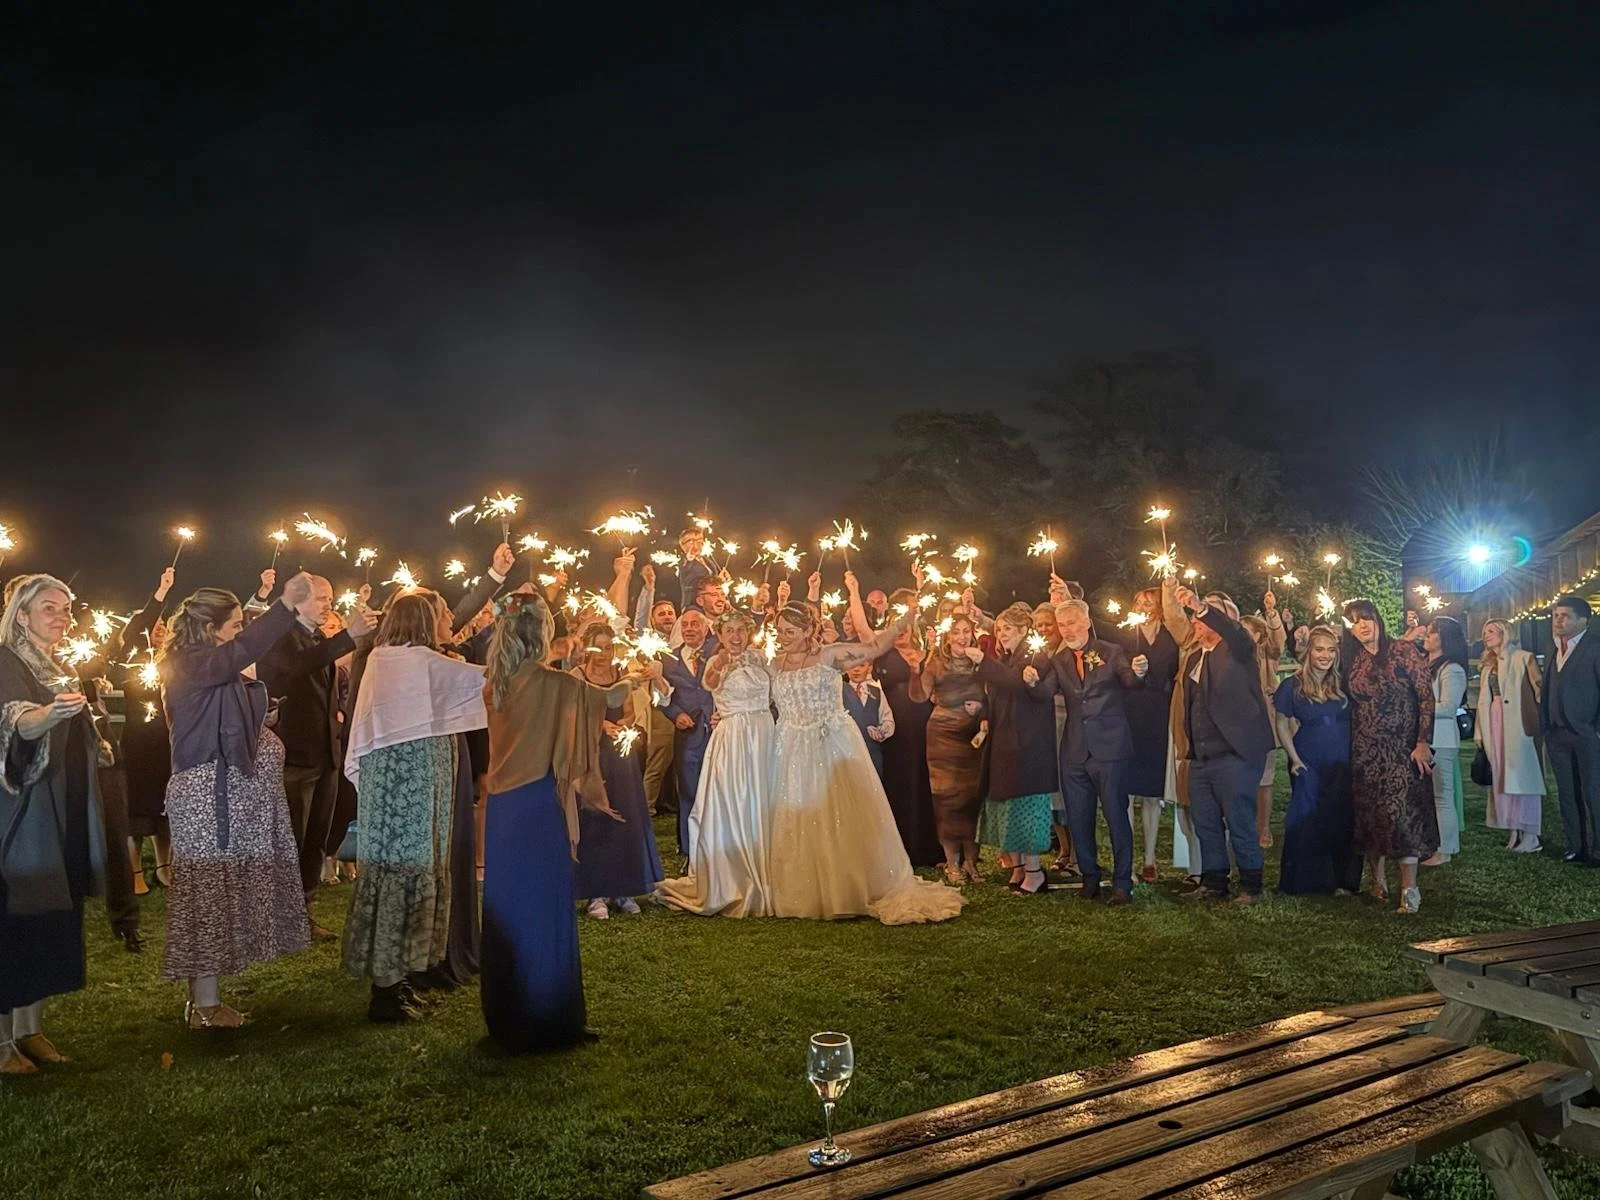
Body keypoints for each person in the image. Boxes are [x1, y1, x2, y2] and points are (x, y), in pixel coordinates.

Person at [159, 579, 314, 1028]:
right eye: (236, 625)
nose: (241, 632)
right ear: (211, 629)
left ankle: (204, 1002)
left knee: (216, 892)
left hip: (223, 794)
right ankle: (205, 1007)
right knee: (207, 895)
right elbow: (239, 654)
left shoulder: (207, 666)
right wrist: (284, 606)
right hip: (207, 796)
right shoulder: (190, 662)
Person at [766, 574, 964, 924]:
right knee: (798, 810)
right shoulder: (774, 664)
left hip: (832, 742)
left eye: (789, 632)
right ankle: (802, 887)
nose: (782, 638)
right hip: (791, 747)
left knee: (840, 812)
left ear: (808, 631)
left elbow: (874, 647)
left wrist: (905, 618)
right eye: (779, 631)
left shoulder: (831, 656)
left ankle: (849, 884)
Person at [480, 593, 630, 1051]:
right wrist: (640, 675)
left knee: (508, 911)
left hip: (503, 811)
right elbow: (611, 698)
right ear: (542, 631)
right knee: (545, 908)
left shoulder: (496, 682)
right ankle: (551, 1017)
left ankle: (507, 1018)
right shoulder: (553, 683)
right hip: (539, 806)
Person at [340, 591, 488, 1022]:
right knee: (403, 875)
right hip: (406, 793)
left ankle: (399, 979)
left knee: (410, 874)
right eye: (442, 614)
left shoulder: (402, 660)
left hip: (411, 791)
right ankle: (386, 993)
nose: (449, 620)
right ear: (423, 620)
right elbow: (488, 683)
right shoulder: (406, 663)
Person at [1, 574, 107, 1074]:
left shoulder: (59, 666)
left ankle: (31, 1029)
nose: (62, 616)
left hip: (61, 809)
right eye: (49, 608)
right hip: (23, 816)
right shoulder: (6, 662)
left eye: (66, 608)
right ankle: (2, 1042)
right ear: (21, 614)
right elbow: (14, 721)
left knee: (49, 916)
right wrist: (46, 716)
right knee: (14, 917)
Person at [258, 574, 375, 937]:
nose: (329, 604)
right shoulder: (280, 636)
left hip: (325, 753)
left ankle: (302, 913)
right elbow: (298, 666)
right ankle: (279, 918)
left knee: (315, 839)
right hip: (295, 754)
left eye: (330, 598)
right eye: (322, 598)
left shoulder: (317, 637)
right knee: (291, 837)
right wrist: (347, 637)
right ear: (298, 601)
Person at [658, 610, 778, 917]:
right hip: (734, 736)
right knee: (734, 797)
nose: (736, 637)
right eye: (729, 631)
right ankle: (733, 868)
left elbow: (779, 692)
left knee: (765, 797)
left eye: (741, 630)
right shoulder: (714, 661)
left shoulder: (763, 659)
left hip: (764, 733)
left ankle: (768, 865)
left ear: (749, 632)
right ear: (720, 635)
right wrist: (722, 665)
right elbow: (710, 683)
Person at [1027, 599, 1148, 902]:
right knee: (1079, 818)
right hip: (1074, 751)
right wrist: (1031, 682)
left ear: (1085, 622)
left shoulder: (1110, 652)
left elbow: (1130, 681)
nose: (1066, 630)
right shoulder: (1060, 660)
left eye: (1071, 623)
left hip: (1110, 748)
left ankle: (1122, 883)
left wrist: (1140, 671)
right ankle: (1090, 878)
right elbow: (1045, 693)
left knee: (1115, 816)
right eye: (1062, 625)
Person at [1172, 583, 1275, 905]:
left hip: (1236, 752)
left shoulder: (1239, 650)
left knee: (1240, 821)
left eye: (1203, 617)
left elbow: (1233, 631)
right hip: (1202, 754)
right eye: (1197, 618)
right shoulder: (1192, 660)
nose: (1197, 622)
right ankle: (1214, 882)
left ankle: (1251, 886)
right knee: (1205, 822)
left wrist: (1201, 605)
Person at [1342, 599, 1437, 914]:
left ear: (1377, 619)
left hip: (1402, 749)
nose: (1363, 626)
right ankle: (1377, 881)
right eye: (1355, 622)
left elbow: (1425, 697)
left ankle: (1410, 888)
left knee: (1403, 817)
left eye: (1366, 618)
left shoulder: (1403, 651)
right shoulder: (1352, 660)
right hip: (1365, 749)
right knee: (1372, 816)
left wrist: (1423, 741)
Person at [570, 623, 664, 920]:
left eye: (608, 647)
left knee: (625, 817)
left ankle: (622, 889)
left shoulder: (621, 675)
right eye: (598, 647)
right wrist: (599, 726)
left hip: (619, 756)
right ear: (587, 647)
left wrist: (622, 724)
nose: (604, 654)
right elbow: (571, 714)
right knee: (595, 818)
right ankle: (596, 892)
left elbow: (629, 712)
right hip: (590, 755)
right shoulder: (576, 677)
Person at [1272, 626, 1360, 895]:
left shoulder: (1344, 683)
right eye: (1320, 649)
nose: (1326, 655)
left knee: (1341, 818)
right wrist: (1294, 758)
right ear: (1309, 651)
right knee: (1307, 818)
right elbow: (1281, 723)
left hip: (1342, 762)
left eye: (1331, 650)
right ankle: (1305, 882)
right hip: (1308, 760)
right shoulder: (1292, 685)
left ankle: (1342, 881)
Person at [1104, 587, 1179, 883]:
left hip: (1159, 714)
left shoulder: (1171, 634)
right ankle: (1128, 858)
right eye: (1139, 602)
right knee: (1128, 791)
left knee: (1151, 792)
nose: (1145, 606)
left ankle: (1150, 859)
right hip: (1129, 714)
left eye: (1150, 601)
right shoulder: (1125, 635)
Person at [910, 613, 987, 882]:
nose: (962, 637)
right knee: (946, 799)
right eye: (956, 631)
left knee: (972, 797)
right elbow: (919, 696)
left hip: (975, 736)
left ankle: (971, 861)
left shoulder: (981, 661)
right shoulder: (937, 662)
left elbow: (996, 694)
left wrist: (982, 707)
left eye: (966, 631)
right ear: (948, 635)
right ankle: (952, 861)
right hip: (942, 736)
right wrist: (915, 671)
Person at [117, 569, 177, 903]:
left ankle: (165, 866)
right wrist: (161, 593)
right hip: (139, 743)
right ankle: (135, 870)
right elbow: (138, 627)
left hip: (167, 744)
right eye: (153, 628)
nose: (157, 632)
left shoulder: (173, 663)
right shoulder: (134, 660)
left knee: (164, 809)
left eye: (162, 629)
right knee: (139, 810)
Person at [873, 610, 943, 868]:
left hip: (925, 723)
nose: (901, 630)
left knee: (925, 780)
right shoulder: (882, 656)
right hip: (896, 728)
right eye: (896, 625)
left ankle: (929, 846)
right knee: (899, 780)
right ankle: (901, 846)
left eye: (905, 625)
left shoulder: (928, 655)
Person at [1541, 595, 1600, 865]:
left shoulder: (1594, 647)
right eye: (1555, 616)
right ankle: (1575, 846)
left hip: (1587, 733)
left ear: (1583, 620)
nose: (1558, 621)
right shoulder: (1553, 648)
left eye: (1565, 616)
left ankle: (1597, 849)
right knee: (1567, 792)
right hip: (1557, 733)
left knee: (1593, 792)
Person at [1477, 618, 1545, 853]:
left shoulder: (1523, 657)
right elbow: (1483, 701)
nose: (1486, 635)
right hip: (1494, 721)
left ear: (1505, 632)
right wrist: (1479, 732)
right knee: (1502, 775)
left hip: (1518, 723)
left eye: (1491, 631)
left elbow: (1539, 689)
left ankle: (1530, 833)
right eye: (1484, 632)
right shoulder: (1488, 666)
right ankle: (1512, 828)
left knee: (1523, 775)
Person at [661, 608, 718, 860]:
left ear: (706, 628)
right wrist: (675, 714)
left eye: (696, 624)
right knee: (688, 791)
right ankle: (688, 850)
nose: (690, 629)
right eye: (686, 625)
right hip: (688, 736)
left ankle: (716, 847)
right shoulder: (668, 659)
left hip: (718, 731)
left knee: (717, 790)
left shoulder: (718, 653)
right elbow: (660, 696)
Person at [1421, 616, 1469, 866]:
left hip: (1441, 738)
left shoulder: (1451, 669)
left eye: (1432, 632)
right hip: (1425, 738)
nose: (1426, 636)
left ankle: (1447, 848)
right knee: (1430, 795)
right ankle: (1433, 842)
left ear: (1445, 638)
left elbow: (1449, 706)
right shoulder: (1427, 665)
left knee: (1442, 795)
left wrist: (1418, 708)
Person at [1240, 597, 1286, 849]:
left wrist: (1272, 614)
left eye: (1246, 631)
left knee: (1265, 778)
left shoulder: (1268, 655)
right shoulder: (1231, 654)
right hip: (1238, 723)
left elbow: (1279, 642)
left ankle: (1264, 827)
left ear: (1258, 635)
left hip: (1264, 721)